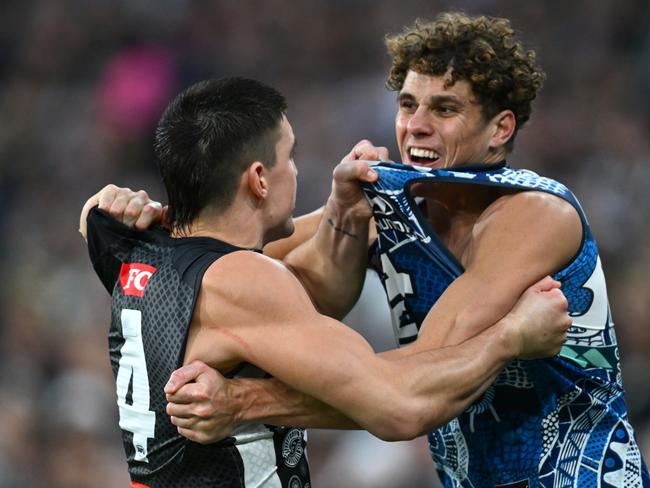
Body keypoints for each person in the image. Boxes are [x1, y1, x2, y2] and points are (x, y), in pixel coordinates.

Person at [82, 11, 650, 487]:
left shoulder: (531, 214)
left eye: (445, 109)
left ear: (501, 128)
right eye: (408, 105)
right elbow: (232, 256)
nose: (416, 127)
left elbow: (412, 387)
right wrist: (151, 217)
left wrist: (248, 402)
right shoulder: (393, 205)